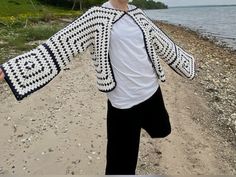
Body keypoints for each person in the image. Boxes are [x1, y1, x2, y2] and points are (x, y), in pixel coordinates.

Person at [0, 0, 195, 174]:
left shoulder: (138, 13)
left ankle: (138, 125)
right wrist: (11, 69)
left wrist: (188, 64)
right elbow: (61, 44)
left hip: (152, 90)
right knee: (120, 167)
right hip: (123, 101)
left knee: (163, 129)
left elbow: (163, 43)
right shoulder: (97, 16)